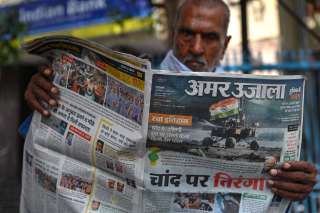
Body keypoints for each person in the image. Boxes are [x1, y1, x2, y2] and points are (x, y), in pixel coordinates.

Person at [23, 0, 317, 204]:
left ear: (225, 44)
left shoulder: (242, 100)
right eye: (187, 34)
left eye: (210, 37)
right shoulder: (134, 76)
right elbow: (43, 143)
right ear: (173, 34)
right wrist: (42, 99)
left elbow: (278, 174)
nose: (197, 47)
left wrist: (293, 183)